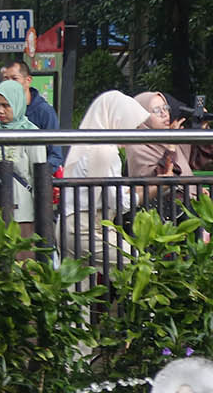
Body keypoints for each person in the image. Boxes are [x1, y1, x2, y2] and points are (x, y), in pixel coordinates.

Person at [61, 91, 151, 270]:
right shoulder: (106, 152)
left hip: (72, 224)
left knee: (76, 292)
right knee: (138, 264)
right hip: (85, 228)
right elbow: (120, 202)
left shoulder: (92, 145)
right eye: (131, 125)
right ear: (117, 121)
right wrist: (151, 187)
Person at [0, 79, 48, 249]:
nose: (0, 110)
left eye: (6, 105)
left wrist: (43, 218)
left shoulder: (32, 134)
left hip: (21, 219)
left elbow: (39, 178)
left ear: (17, 103)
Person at [0, 60, 64, 173]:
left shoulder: (44, 111)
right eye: (5, 79)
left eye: (14, 79)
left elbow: (55, 154)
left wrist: (38, 178)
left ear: (28, 80)